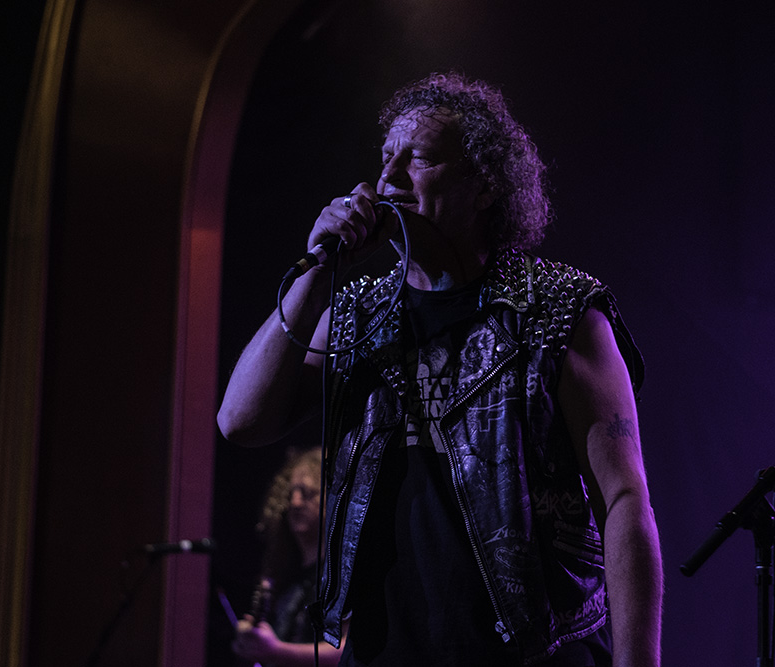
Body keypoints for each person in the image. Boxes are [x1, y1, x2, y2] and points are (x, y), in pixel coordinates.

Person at [218, 71, 663, 667]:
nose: (388, 179)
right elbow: (239, 421)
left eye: (419, 159)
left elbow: (625, 500)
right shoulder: (357, 313)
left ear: (484, 186)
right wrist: (317, 273)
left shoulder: (559, 311)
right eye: (385, 161)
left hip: (534, 653)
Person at [231, 447, 345, 666]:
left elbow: (346, 650)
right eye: (290, 493)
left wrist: (276, 651)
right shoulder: (284, 573)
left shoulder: (340, 572)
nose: (295, 503)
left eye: (307, 493)